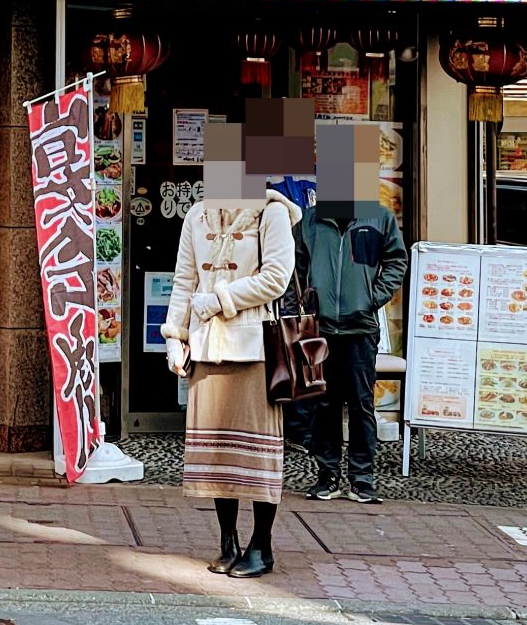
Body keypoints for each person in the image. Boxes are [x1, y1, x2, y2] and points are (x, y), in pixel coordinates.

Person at [162, 122, 298, 580]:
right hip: (205, 347)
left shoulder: (272, 213)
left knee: (256, 454)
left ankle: (262, 546)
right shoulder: (197, 215)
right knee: (217, 453)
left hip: (254, 347)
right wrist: (175, 336)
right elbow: (184, 280)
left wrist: (220, 299)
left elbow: (277, 277)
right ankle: (228, 542)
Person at [293, 124, 408, 504]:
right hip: (321, 327)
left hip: (359, 327)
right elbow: (295, 266)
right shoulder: (310, 220)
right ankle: (327, 474)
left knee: (361, 404)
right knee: (323, 403)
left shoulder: (378, 217)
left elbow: (396, 260)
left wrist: (372, 297)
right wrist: (306, 302)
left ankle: (362, 478)